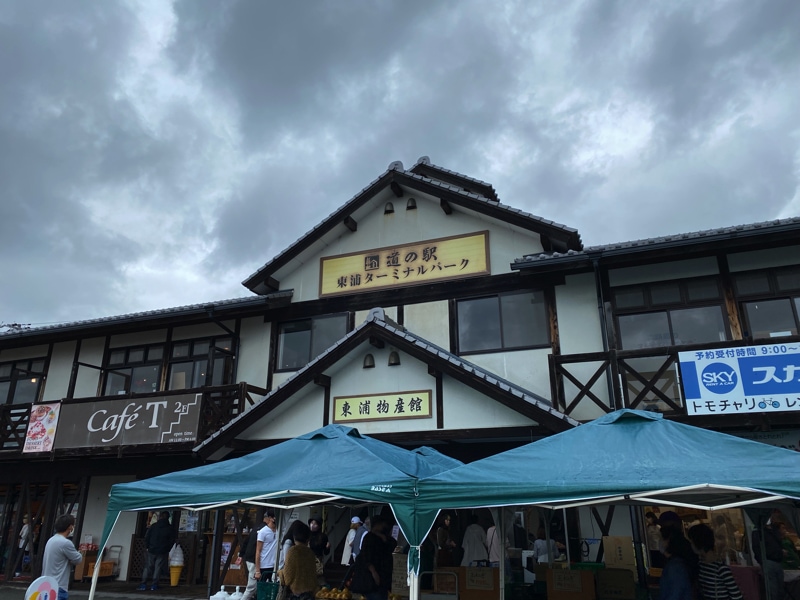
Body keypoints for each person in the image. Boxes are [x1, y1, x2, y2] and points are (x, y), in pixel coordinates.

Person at [688, 523, 743, 600]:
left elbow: (737, 596)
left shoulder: (720, 569)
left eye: (691, 542)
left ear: (698, 542)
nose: (690, 545)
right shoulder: (701, 565)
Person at [42, 514, 82, 600]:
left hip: (47, 584)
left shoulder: (51, 540)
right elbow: (78, 559)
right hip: (59, 585)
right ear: (70, 527)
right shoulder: (65, 543)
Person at [356, 516, 397, 600]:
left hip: (383, 577)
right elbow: (366, 557)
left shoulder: (384, 538)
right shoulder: (369, 538)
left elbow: (393, 544)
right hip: (372, 578)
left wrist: (383, 537)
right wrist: (373, 572)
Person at [278, 521, 318, 600]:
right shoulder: (310, 553)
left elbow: (287, 579)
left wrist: (280, 573)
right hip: (309, 593)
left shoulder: (293, 551)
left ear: (294, 536)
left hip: (295, 594)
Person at [138, 511, 175, 591]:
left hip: (151, 549)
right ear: (168, 518)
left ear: (160, 517)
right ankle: (154, 585)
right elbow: (171, 540)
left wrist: (147, 546)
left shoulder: (154, 526)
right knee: (158, 567)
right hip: (162, 551)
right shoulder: (169, 528)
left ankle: (143, 584)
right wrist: (167, 549)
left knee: (148, 567)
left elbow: (147, 537)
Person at [752, 511, 785, 600]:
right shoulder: (758, 529)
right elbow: (756, 547)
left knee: (780, 589)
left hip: (777, 560)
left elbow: (777, 542)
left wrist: (780, 552)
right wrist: (762, 561)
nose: (774, 518)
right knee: (773, 589)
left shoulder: (774, 529)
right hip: (768, 561)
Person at [658, 526, 696, 600]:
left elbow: (675, 594)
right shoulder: (678, 563)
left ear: (668, 541)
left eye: (661, 538)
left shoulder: (675, 567)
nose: (659, 541)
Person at [237, 516, 266, 600]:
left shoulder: (256, 528)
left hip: (249, 558)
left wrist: (241, 555)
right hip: (254, 560)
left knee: (255, 586)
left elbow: (246, 542)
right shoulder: (264, 530)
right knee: (252, 587)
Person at [255, 510, 279, 583]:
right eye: (275, 517)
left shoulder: (280, 530)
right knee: (263, 589)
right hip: (264, 565)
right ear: (270, 518)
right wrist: (257, 571)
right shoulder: (263, 532)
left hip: (275, 565)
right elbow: (258, 551)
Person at [308, 517, 329, 583]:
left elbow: (326, 552)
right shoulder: (306, 534)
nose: (312, 525)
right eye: (311, 523)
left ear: (319, 526)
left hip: (318, 561)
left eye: (315, 523)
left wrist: (327, 547)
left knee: (318, 579)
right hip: (307, 559)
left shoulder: (323, 537)